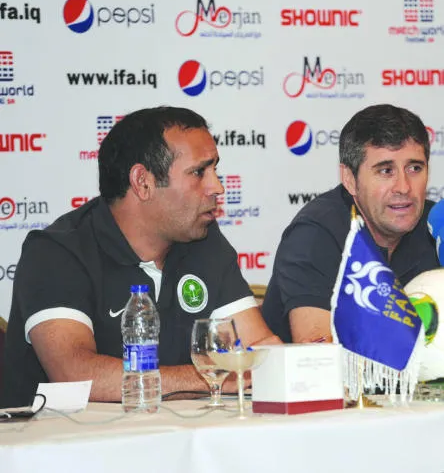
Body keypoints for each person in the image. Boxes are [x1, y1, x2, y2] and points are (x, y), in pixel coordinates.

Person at [1, 106, 279, 408]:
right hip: (61, 436)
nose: (217, 187)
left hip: (176, 433)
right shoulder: (57, 252)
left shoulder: (203, 239)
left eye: (215, 170)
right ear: (143, 182)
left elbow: (261, 349)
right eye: (199, 172)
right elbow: (75, 374)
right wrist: (212, 378)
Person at [262, 104, 444, 369]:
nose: (403, 187)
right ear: (350, 178)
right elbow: (318, 360)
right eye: (386, 171)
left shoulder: (443, 227)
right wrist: (441, 362)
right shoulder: (316, 233)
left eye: (414, 168)